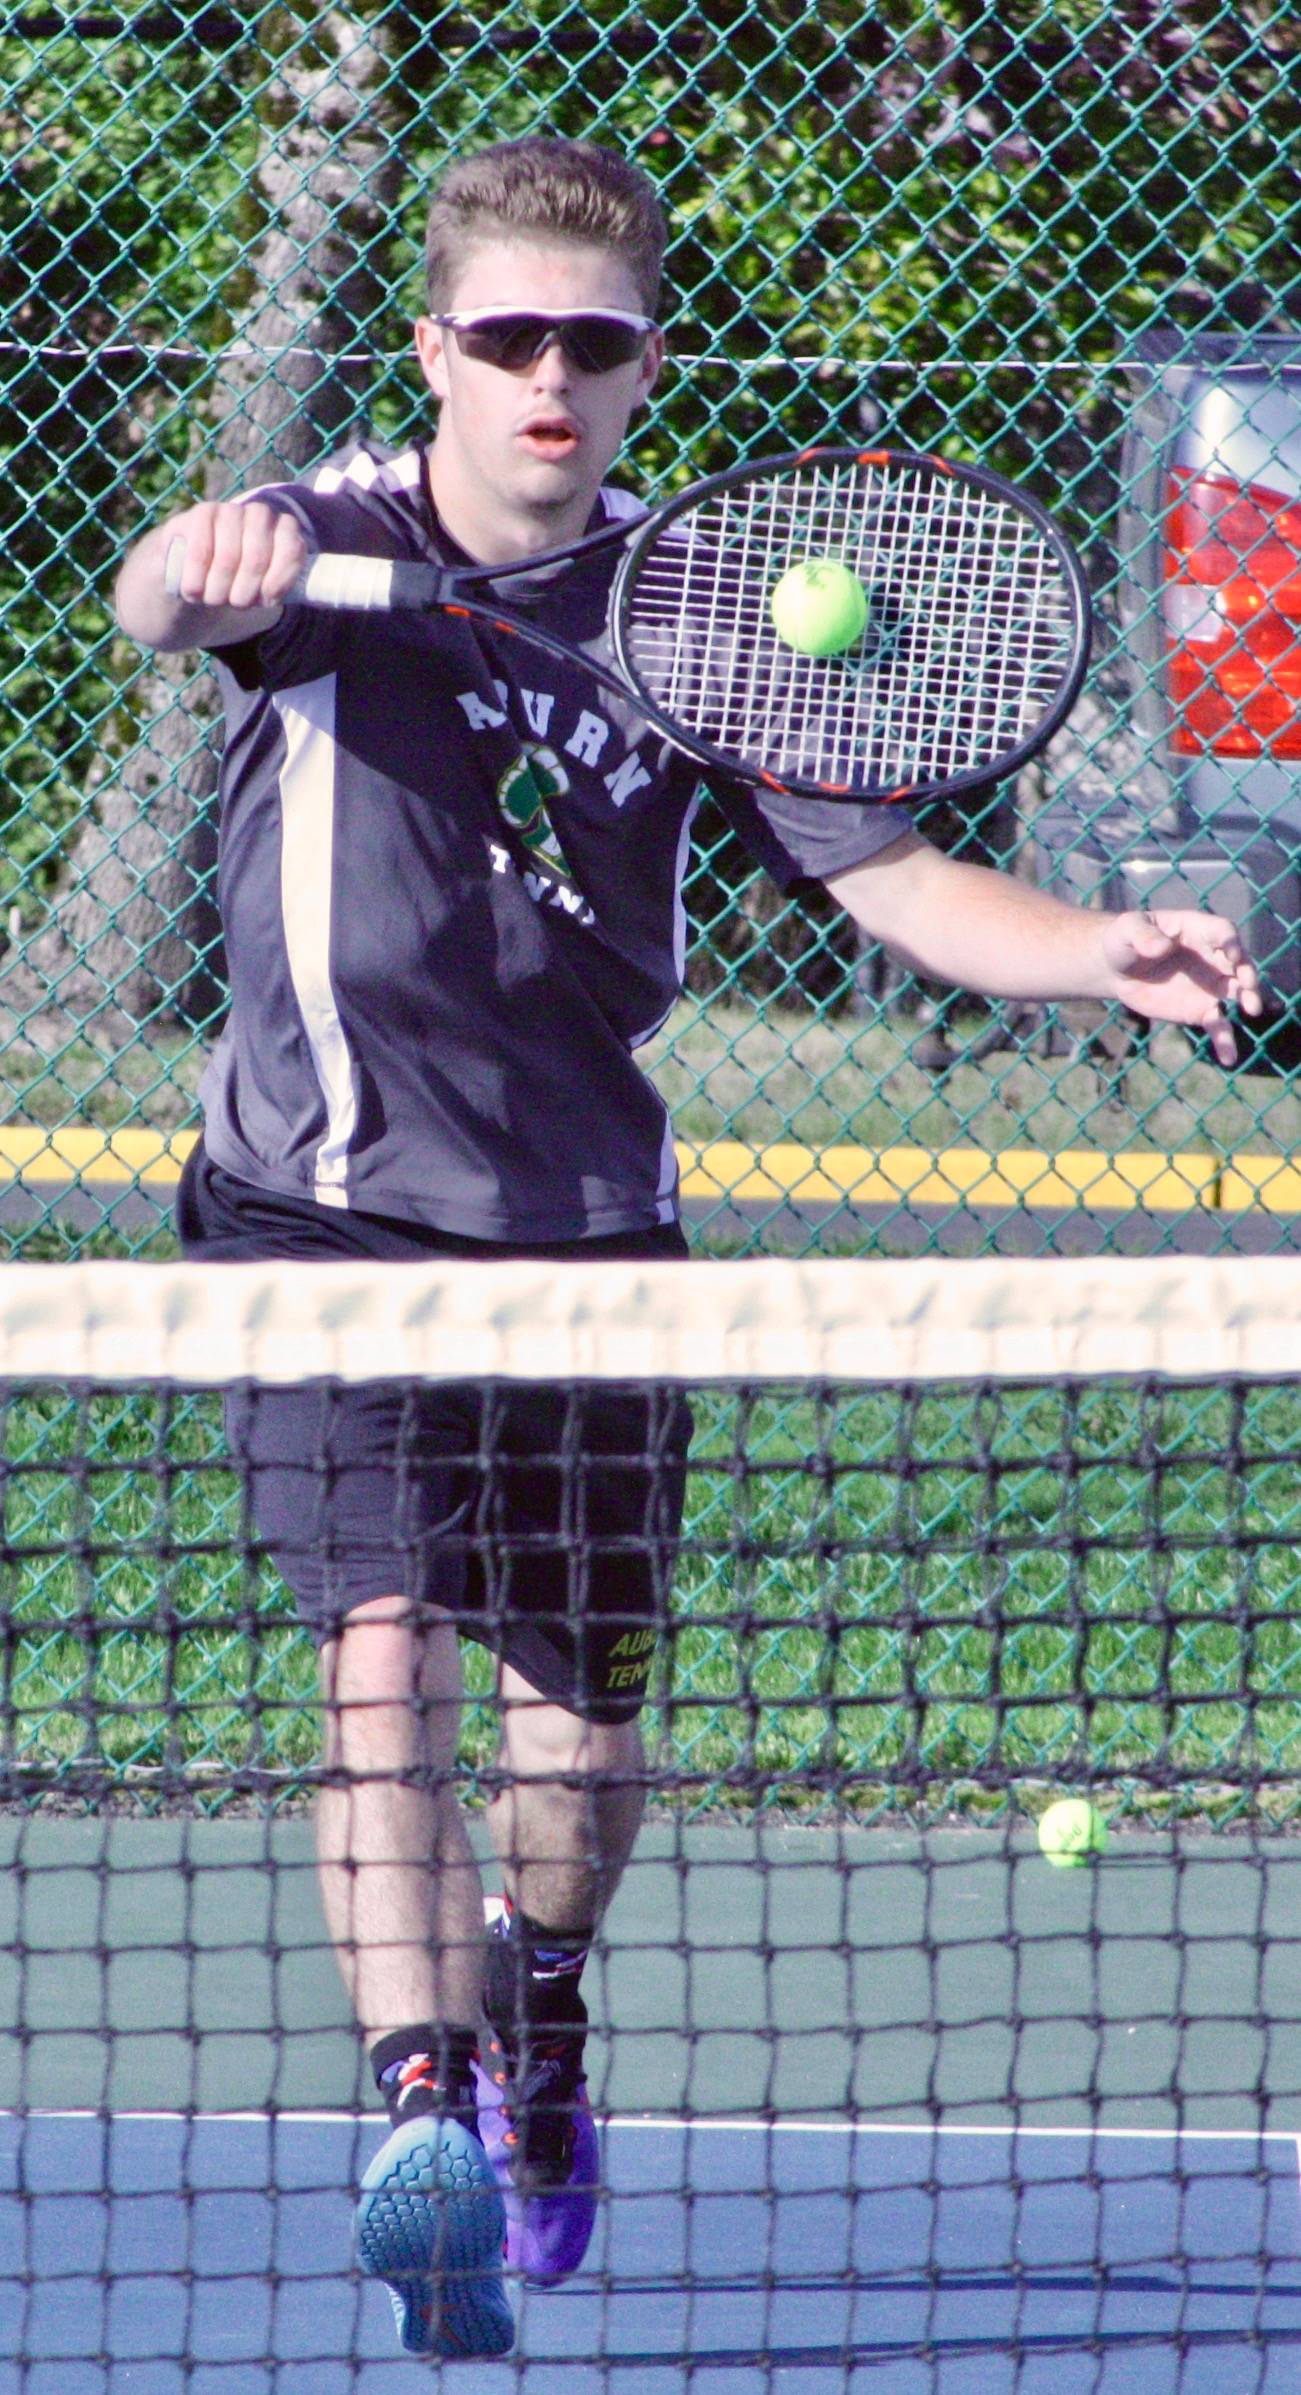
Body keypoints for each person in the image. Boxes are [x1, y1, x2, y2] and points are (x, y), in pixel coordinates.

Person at [113, 135, 1261, 2363]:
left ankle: (538, 2027)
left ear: (644, 367)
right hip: (310, 1221)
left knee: (581, 1762)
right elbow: (160, 600)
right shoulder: (330, 541)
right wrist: (197, 550)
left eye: (595, 343)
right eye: (509, 337)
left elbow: (901, 882)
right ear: (438, 347)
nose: (550, 375)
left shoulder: (702, 610)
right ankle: (416, 2114)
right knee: (379, 1663)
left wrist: (1102, 949)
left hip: (591, 1244)